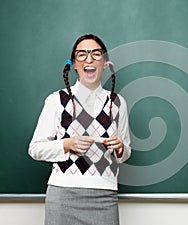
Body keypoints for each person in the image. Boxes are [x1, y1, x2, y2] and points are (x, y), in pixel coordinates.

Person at [28, 34, 131, 225]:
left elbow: (125, 153)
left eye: (96, 54)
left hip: (105, 196)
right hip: (62, 196)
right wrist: (67, 144)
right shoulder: (56, 100)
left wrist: (120, 148)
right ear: (74, 64)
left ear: (106, 63)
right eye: (82, 54)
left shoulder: (117, 103)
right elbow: (35, 148)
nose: (89, 59)